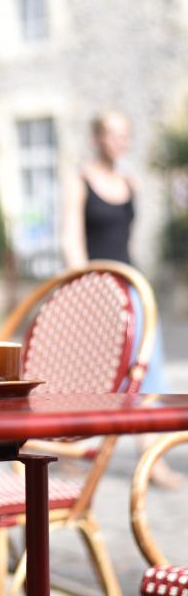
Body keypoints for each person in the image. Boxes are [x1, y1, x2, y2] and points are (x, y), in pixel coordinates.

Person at [61, 110, 182, 488]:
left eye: (125, 135)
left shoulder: (132, 182)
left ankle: (150, 457)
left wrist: (133, 283)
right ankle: (66, 446)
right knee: (88, 373)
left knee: (148, 367)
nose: (120, 142)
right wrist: (87, 289)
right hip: (98, 288)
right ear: (97, 138)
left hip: (132, 285)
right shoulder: (80, 180)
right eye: (113, 134)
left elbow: (126, 241)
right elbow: (71, 238)